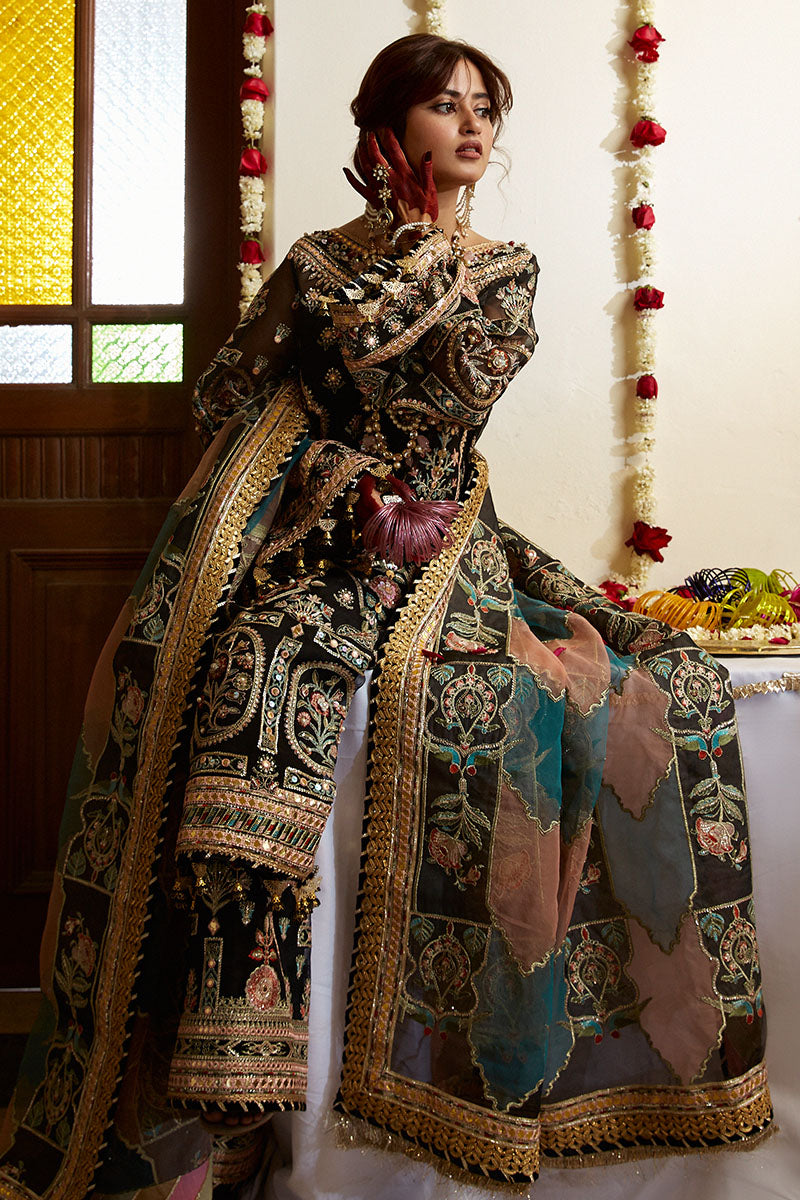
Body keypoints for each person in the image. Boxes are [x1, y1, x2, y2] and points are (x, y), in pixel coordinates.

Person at [0, 33, 772, 1200]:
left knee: (608, 677)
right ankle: (231, 1069)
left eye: (484, 109)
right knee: (252, 672)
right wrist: (320, 465)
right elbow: (224, 389)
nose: (471, 127)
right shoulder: (317, 260)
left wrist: (413, 258)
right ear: (386, 127)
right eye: (444, 105)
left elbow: (456, 386)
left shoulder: (500, 270)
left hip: (442, 538)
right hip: (326, 530)